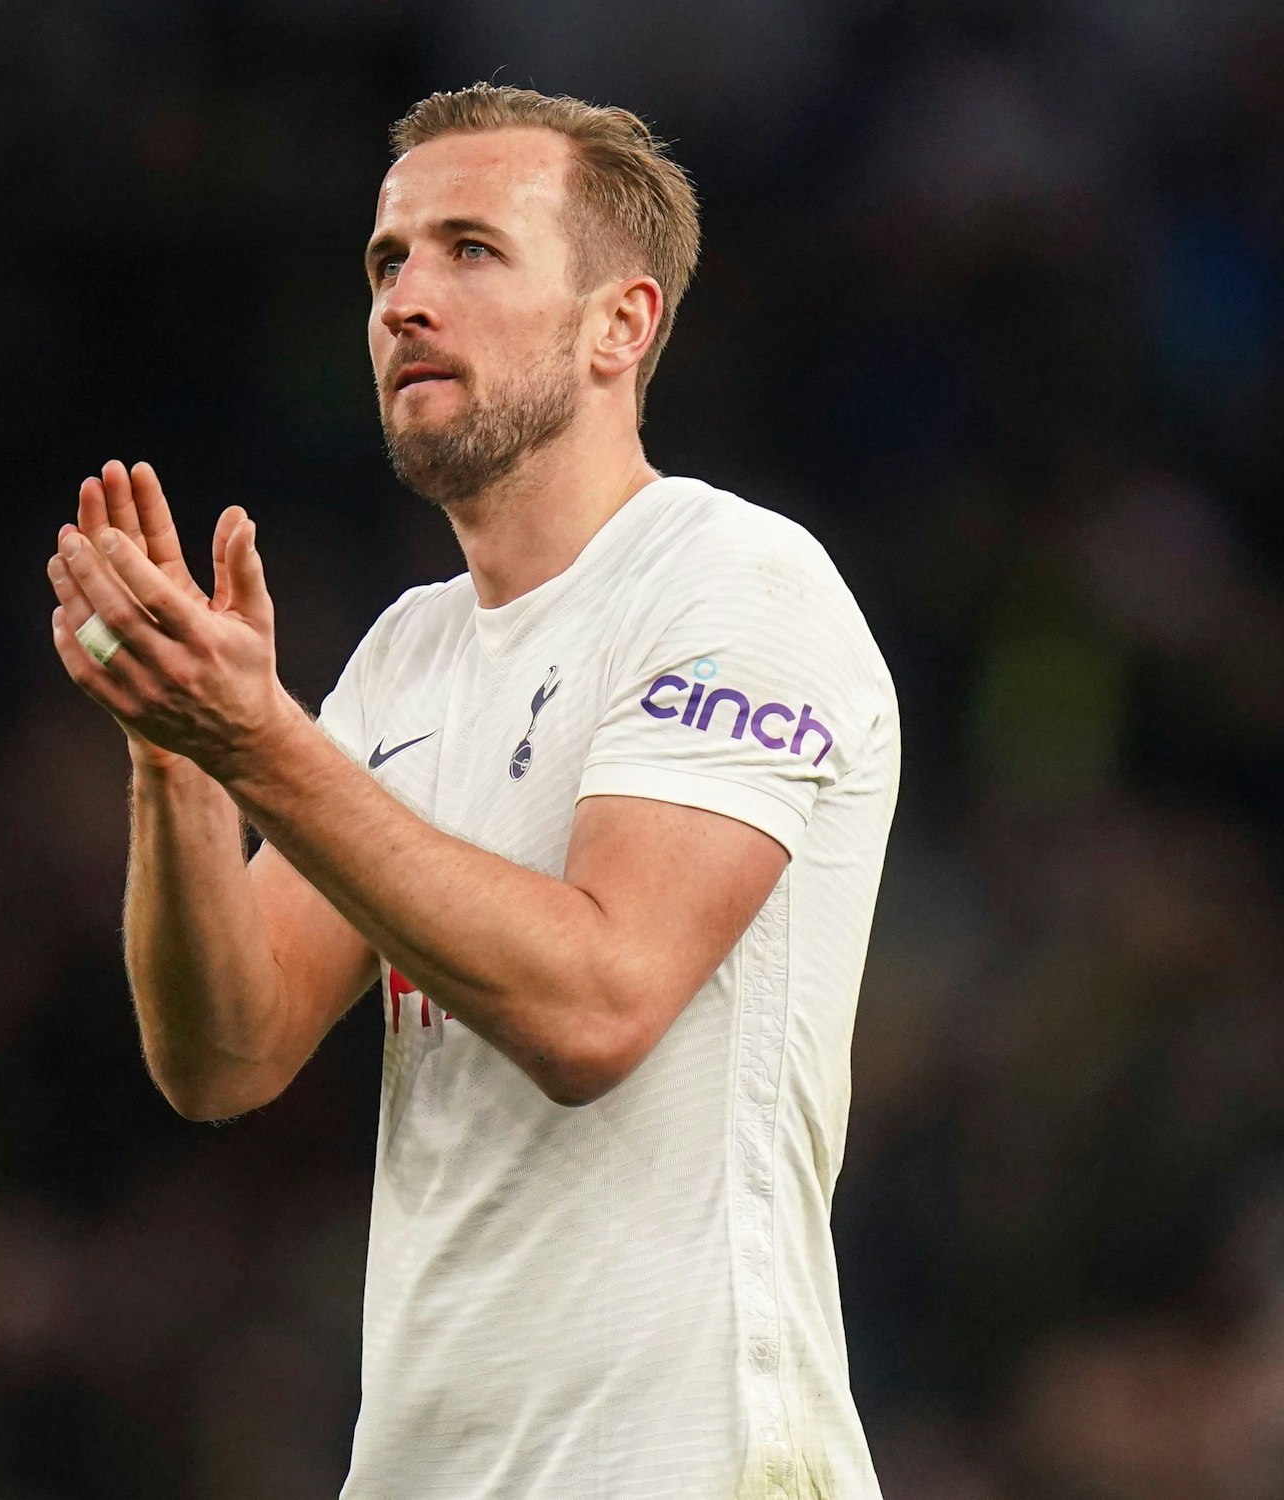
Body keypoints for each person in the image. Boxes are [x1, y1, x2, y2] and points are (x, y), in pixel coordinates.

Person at [44, 82, 897, 1500]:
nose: (404, 301)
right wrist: (182, 762)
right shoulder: (408, 655)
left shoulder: (736, 584)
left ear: (622, 324)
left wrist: (263, 745)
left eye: (470, 250)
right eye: (388, 261)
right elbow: (225, 1053)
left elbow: (599, 1003)